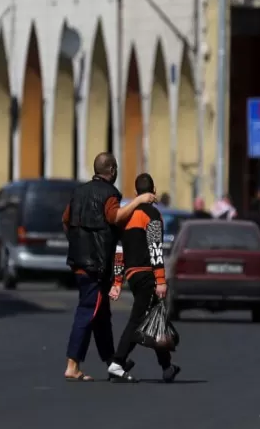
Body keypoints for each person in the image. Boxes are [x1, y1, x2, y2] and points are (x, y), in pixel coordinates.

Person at [61, 152, 155, 381]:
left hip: (80, 262)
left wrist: (78, 243)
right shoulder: (110, 194)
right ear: (111, 170)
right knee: (88, 311)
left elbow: (66, 221)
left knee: (101, 315)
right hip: (95, 265)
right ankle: (72, 365)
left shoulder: (78, 192)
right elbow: (115, 217)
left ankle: (113, 361)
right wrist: (138, 201)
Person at [108, 172, 181, 383]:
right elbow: (156, 248)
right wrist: (160, 280)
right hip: (147, 275)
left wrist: (117, 281)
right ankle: (117, 362)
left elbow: (119, 251)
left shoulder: (127, 216)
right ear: (154, 191)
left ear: (135, 192)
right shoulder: (153, 215)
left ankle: (167, 367)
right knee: (138, 320)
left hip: (133, 275)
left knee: (154, 318)